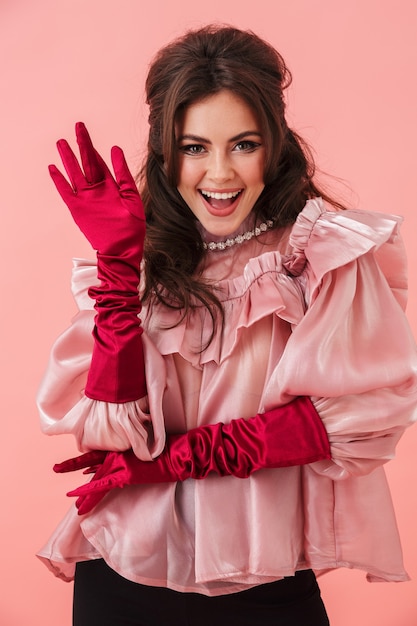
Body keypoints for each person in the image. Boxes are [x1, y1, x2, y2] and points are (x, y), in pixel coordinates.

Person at [37, 25, 417, 626]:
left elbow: (353, 422)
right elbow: (114, 432)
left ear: (276, 142)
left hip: (265, 587)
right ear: (167, 151)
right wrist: (118, 274)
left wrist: (174, 461)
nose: (220, 174)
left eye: (243, 144)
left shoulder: (320, 255)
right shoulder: (138, 260)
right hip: (121, 576)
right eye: (194, 148)